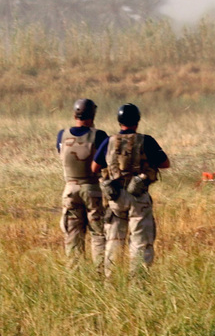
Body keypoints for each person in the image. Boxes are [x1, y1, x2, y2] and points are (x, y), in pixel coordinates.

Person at [91, 103, 170, 274]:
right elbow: (165, 163)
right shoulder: (146, 140)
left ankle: (110, 282)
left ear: (119, 121)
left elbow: (94, 167)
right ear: (138, 121)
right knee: (141, 242)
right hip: (139, 198)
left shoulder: (108, 141)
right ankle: (138, 283)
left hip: (115, 198)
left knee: (113, 241)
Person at [57, 99, 108, 267]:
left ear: (74, 114)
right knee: (98, 234)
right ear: (93, 115)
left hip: (70, 190)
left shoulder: (62, 135)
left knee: (72, 235)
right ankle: (100, 273)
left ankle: (75, 275)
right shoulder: (98, 136)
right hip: (92, 189)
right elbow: (104, 161)